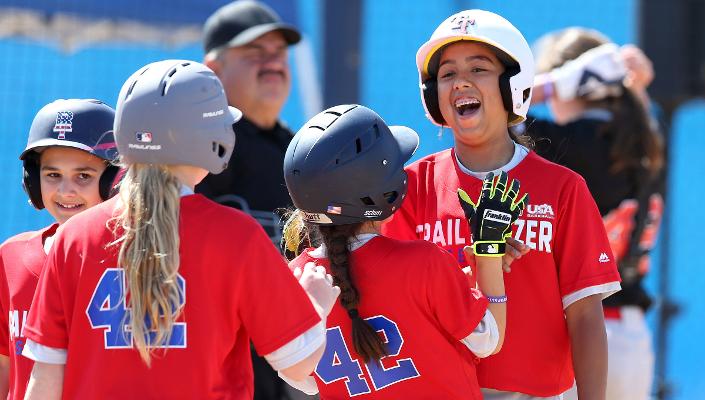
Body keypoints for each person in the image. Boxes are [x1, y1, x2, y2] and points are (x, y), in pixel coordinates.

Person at [20, 60, 339, 399]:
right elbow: (297, 365)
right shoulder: (235, 235)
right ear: (211, 139)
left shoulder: (74, 237)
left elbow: (45, 382)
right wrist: (316, 303)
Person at [381, 10, 622, 400]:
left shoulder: (563, 188)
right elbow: (393, 299)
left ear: (514, 85)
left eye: (479, 69)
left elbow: (584, 314)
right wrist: (470, 261)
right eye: (446, 74)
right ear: (432, 96)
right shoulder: (410, 188)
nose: (461, 81)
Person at [280, 104, 527, 399]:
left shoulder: (294, 279)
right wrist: (488, 255)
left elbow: (306, 381)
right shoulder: (424, 262)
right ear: (387, 194)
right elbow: (489, 341)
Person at [519, 28, 665, 400]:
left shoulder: (574, 141)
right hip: (631, 338)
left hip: (578, 335)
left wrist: (553, 84)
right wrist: (634, 86)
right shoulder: (646, 137)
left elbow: (496, 110)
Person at [200, 3, 305, 395]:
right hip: (219, 365)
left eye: (278, 53)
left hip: (291, 360)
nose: (272, 62)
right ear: (214, 70)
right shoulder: (204, 149)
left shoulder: (298, 150)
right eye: (254, 53)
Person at [0, 99, 119, 399]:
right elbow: (5, 367)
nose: (66, 191)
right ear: (32, 180)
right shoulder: (10, 257)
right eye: (53, 175)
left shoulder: (129, 260)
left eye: (84, 176)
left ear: (115, 181)